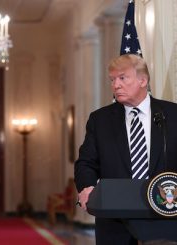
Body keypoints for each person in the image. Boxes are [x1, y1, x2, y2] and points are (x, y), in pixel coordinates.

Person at [74, 54, 177, 245]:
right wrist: (86, 187)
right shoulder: (100, 119)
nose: (116, 85)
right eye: (112, 80)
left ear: (142, 80)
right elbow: (86, 162)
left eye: (122, 78)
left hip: (163, 217)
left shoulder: (172, 114)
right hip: (114, 220)